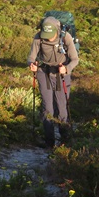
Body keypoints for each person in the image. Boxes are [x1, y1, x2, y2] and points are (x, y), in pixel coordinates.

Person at [27, 16, 79, 148]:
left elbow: (75, 59)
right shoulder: (38, 37)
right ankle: (49, 142)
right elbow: (31, 57)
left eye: (50, 35)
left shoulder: (65, 37)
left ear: (57, 30)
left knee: (62, 108)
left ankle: (65, 140)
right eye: (46, 34)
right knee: (47, 108)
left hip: (61, 74)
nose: (48, 37)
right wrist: (32, 64)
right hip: (44, 72)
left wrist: (66, 69)